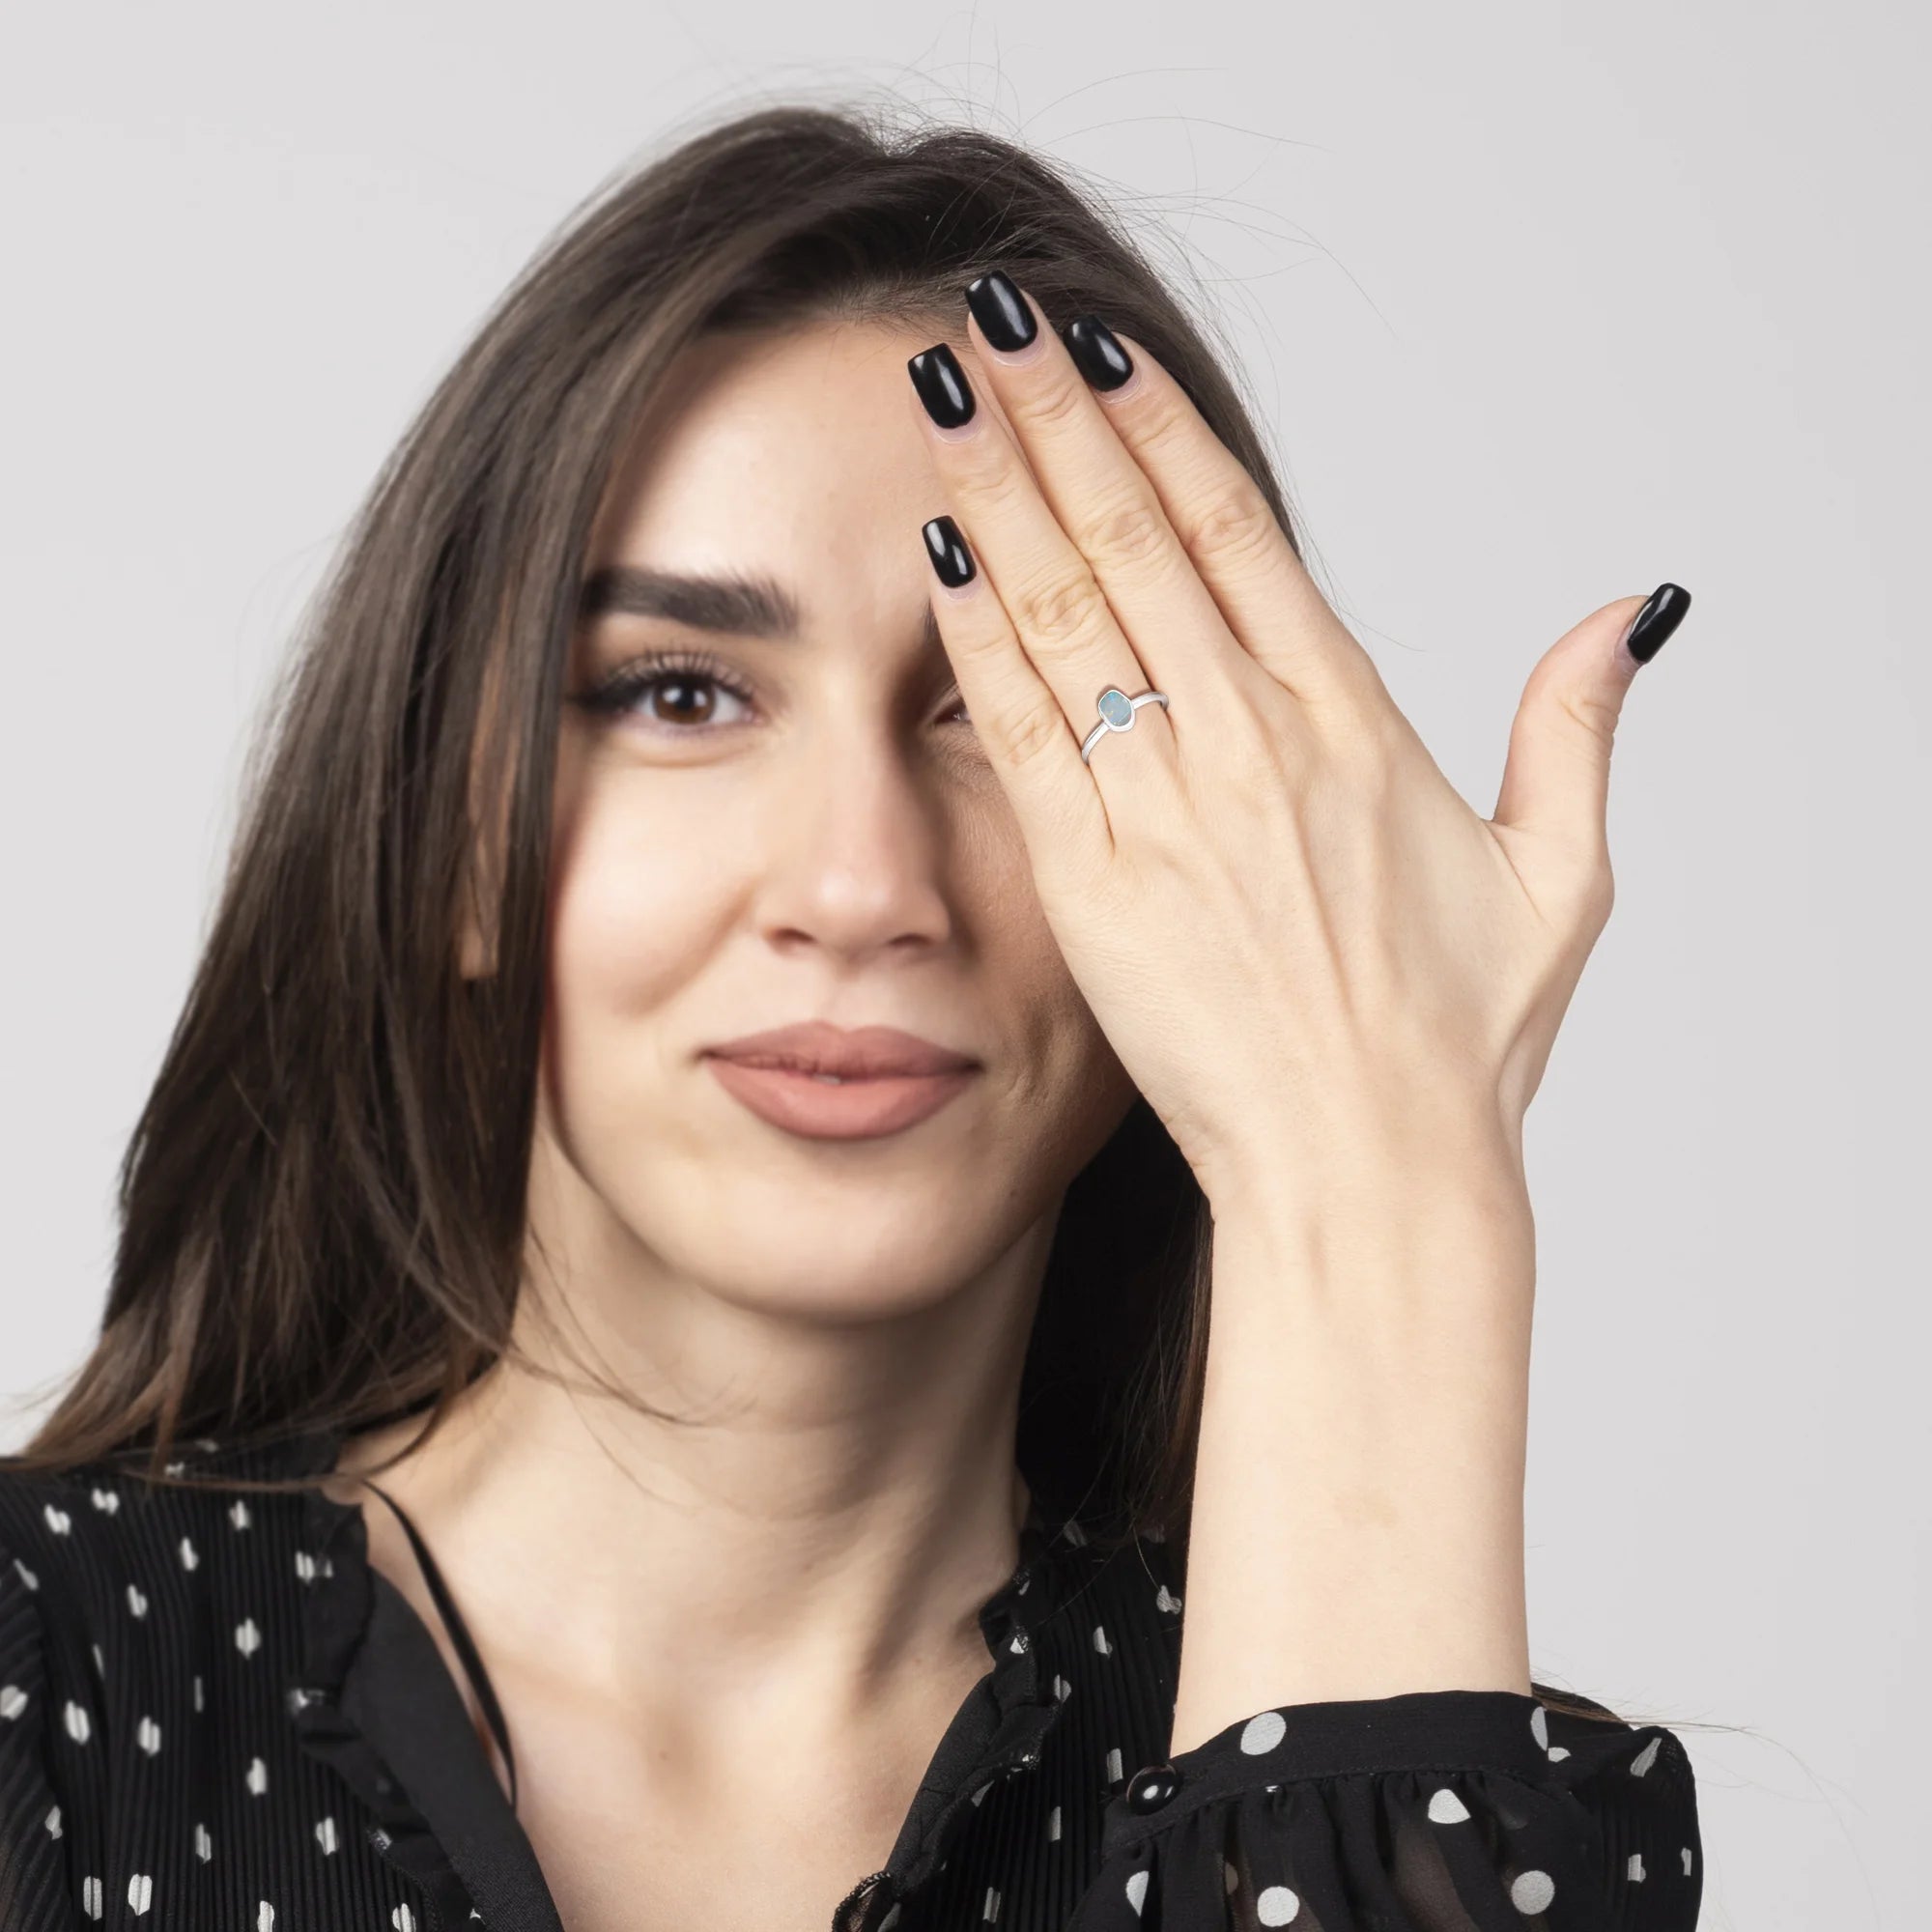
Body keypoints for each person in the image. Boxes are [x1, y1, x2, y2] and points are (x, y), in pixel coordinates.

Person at [0, 102, 1699, 1932]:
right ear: (454, 836)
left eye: (1011, 706)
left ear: (1223, 880)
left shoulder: (1415, 1752)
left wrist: (1381, 1177)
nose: (861, 882)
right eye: (681, 695)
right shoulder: (47, 1686)